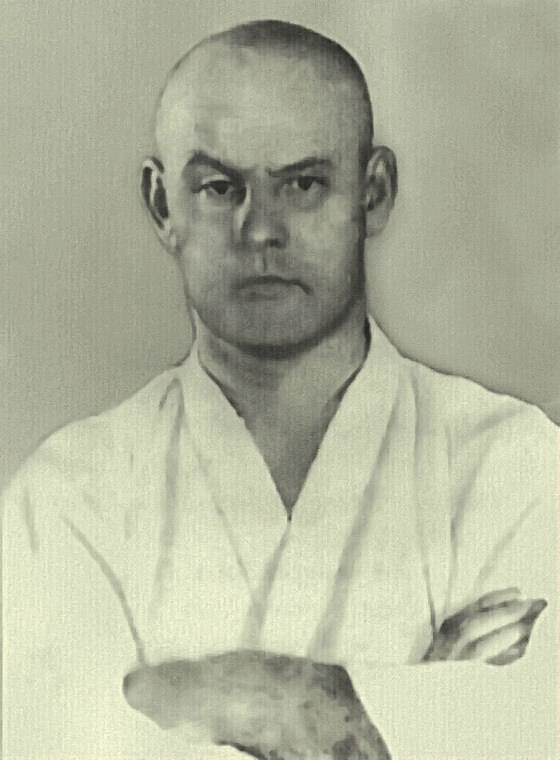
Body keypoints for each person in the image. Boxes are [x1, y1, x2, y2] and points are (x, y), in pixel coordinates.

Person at [3, 19, 558, 760]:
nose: (260, 228)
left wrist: (216, 696)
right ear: (163, 205)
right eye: (219, 187)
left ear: (373, 193)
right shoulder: (68, 496)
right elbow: (44, 736)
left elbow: (538, 726)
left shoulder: (514, 466)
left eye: (303, 184)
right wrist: (414, 714)